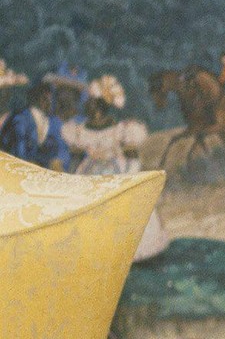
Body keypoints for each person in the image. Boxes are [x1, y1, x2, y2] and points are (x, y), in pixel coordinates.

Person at [60, 97, 169, 260]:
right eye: (88, 107)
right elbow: (75, 157)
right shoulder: (79, 130)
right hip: (89, 173)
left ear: (101, 109)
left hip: (117, 172)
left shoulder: (121, 130)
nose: (89, 110)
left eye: (93, 107)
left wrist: (128, 177)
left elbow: (133, 157)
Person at [0, 83, 71, 171]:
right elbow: (18, 151)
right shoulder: (20, 119)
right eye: (48, 99)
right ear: (38, 98)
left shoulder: (53, 122)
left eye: (52, 99)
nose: (52, 103)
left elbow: (61, 146)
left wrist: (59, 160)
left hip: (41, 170)